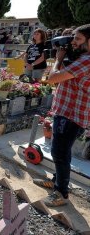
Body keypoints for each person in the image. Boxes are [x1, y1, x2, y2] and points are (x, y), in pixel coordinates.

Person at [34, 24, 90, 207]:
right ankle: (57, 182)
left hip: (71, 115)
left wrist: (58, 59)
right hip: (66, 111)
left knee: (59, 152)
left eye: (78, 39)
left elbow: (51, 78)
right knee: (61, 151)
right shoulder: (80, 58)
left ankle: (61, 193)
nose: (73, 42)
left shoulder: (86, 61)